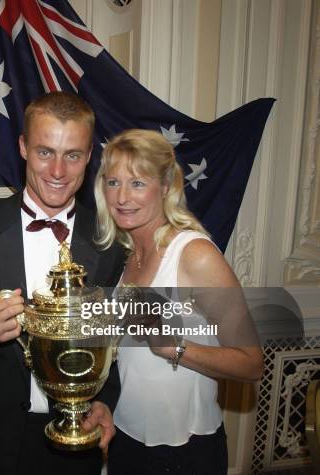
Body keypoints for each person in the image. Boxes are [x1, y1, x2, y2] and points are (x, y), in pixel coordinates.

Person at [0, 91, 126, 475]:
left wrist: (106, 401)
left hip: (77, 437)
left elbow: (115, 340)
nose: (58, 171)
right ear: (23, 147)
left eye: (73, 155)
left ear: (89, 156)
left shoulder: (111, 242)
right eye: (46, 152)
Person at [93, 129, 263, 474]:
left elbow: (252, 364)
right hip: (126, 440)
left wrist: (175, 347)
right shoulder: (126, 256)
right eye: (113, 182)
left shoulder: (194, 255)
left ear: (167, 185)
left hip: (184, 453)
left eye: (138, 183)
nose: (122, 197)